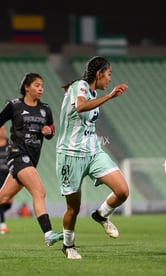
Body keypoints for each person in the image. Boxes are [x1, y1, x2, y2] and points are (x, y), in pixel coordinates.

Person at [0, 72, 63, 246]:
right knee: (39, 192)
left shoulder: (45, 109)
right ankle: (48, 234)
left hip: (31, 159)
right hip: (17, 155)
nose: (41, 89)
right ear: (27, 87)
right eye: (37, 85)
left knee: (1, 198)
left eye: (42, 86)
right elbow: (1, 119)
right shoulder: (15, 105)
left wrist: (49, 132)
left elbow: (50, 130)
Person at [56, 56, 130, 259]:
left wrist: (105, 96)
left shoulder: (94, 93)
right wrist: (110, 97)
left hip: (93, 152)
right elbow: (80, 107)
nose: (110, 79)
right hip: (70, 155)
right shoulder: (79, 86)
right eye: (109, 74)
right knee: (73, 208)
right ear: (99, 74)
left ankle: (101, 214)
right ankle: (68, 246)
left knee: (123, 191)